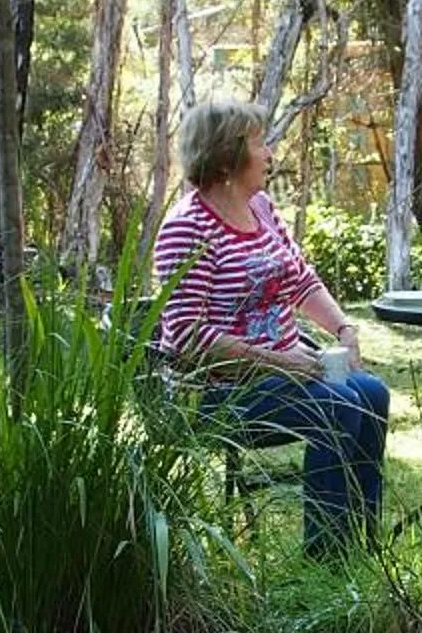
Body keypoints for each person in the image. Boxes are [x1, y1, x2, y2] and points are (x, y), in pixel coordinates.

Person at [153, 98, 390, 554]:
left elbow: (300, 280)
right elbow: (186, 338)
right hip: (218, 396)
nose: (270, 153)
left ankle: (365, 547)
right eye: (260, 143)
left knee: (373, 393)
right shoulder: (187, 228)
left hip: (287, 373)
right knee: (337, 405)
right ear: (228, 157)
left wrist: (343, 329)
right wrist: (281, 363)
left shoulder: (261, 207)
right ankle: (327, 559)